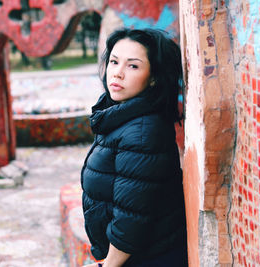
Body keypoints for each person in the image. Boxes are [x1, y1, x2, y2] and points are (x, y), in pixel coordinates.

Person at [81, 27, 188, 267]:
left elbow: (131, 218)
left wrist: (108, 265)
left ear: (153, 77)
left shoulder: (141, 132)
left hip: (150, 258)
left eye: (133, 66)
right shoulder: (122, 118)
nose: (117, 73)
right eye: (114, 62)